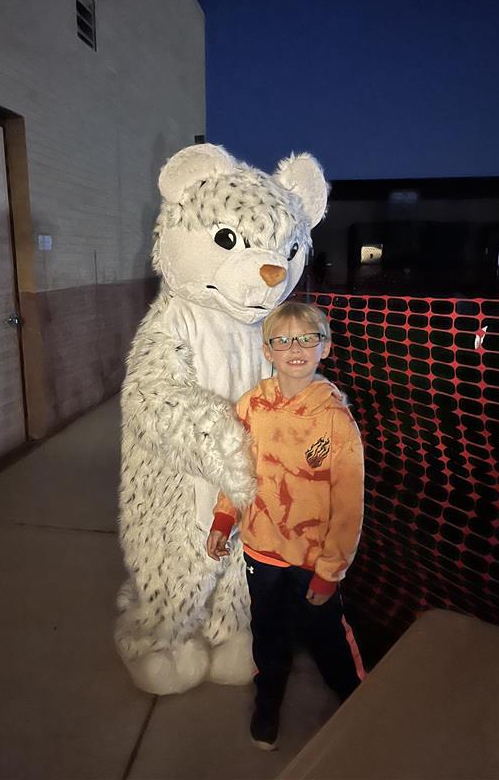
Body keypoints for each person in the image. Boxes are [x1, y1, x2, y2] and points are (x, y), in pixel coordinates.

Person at [206, 301, 365, 751]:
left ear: (325, 347)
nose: (294, 348)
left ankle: (359, 699)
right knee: (269, 631)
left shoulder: (334, 420)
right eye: (282, 340)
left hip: (314, 558)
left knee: (326, 634)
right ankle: (268, 699)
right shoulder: (252, 406)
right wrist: (225, 515)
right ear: (267, 350)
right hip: (261, 549)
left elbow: (349, 504)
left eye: (306, 338)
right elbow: (237, 468)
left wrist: (330, 570)